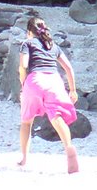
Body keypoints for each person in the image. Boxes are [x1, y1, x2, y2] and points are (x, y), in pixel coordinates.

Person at [18, 16, 79, 174]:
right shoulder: (53, 46)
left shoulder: (27, 43)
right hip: (54, 82)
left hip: (35, 80)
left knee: (26, 121)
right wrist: (72, 90)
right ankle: (69, 148)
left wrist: (23, 84)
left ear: (29, 32)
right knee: (56, 117)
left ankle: (24, 158)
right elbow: (69, 68)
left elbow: (23, 66)